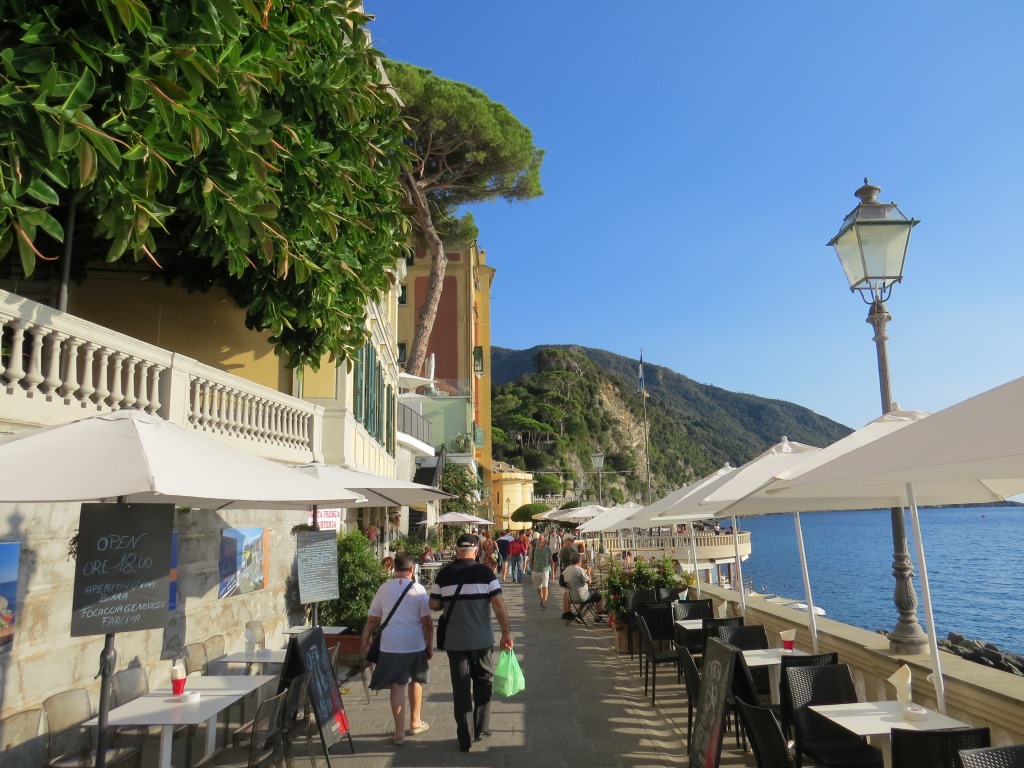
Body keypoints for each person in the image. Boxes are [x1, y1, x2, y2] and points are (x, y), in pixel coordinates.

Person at [430, 534, 513, 752]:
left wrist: (450, 601)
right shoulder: (485, 573)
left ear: (457, 550)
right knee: (484, 681)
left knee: (461, 687)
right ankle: (481, 727)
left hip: (455, 641)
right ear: (476, 551)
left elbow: (433, 604)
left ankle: (465, 735)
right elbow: (498, 604)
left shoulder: (444, 574)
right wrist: (506, 633)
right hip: (482, 639)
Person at [363, 552, 433, 745]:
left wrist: (367, 638)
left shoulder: (384, 588)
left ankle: (399, 733)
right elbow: (427, 622)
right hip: (414, 642)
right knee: (416, 680)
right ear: (412, 569)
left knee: (396, 685)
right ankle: (415, 722)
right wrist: (429, 644)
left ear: (394, 568)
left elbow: (373, 619)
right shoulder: (418, 589)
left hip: (390, 643)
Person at [562, 551, 606, 617]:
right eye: (581, 560)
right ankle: (598, 614)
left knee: (582, 593)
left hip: (571, 597)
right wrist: (588, 572)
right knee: (599, 596)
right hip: (582, 597)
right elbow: (589, 582)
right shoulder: (580, 570)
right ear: (579, 561)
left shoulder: (566, 570)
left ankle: (579, 613)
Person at [530, 532, 552, 610]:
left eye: (540, 539)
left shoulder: (548, 549)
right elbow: (530, 559)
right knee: (538, 588)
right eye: (538, 539)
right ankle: (542, 599)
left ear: (544, 540)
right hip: (536, 570)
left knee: (545, 586)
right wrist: (531, 569)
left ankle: (544, 602)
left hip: (545, 570)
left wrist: (553, 573)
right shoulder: (533, 548)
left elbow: (550, 560)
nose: (539, 541)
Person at [558, 535, 576, 620]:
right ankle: (566, 612)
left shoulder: (569, 549)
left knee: (567, 592)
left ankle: (568, 611)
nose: (573, 542)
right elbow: (574, 559)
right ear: (566, 540)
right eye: (571, 540)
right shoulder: (564, 550)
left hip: (568, 572)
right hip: (566, 573)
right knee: (566, 592)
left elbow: (577, 555)